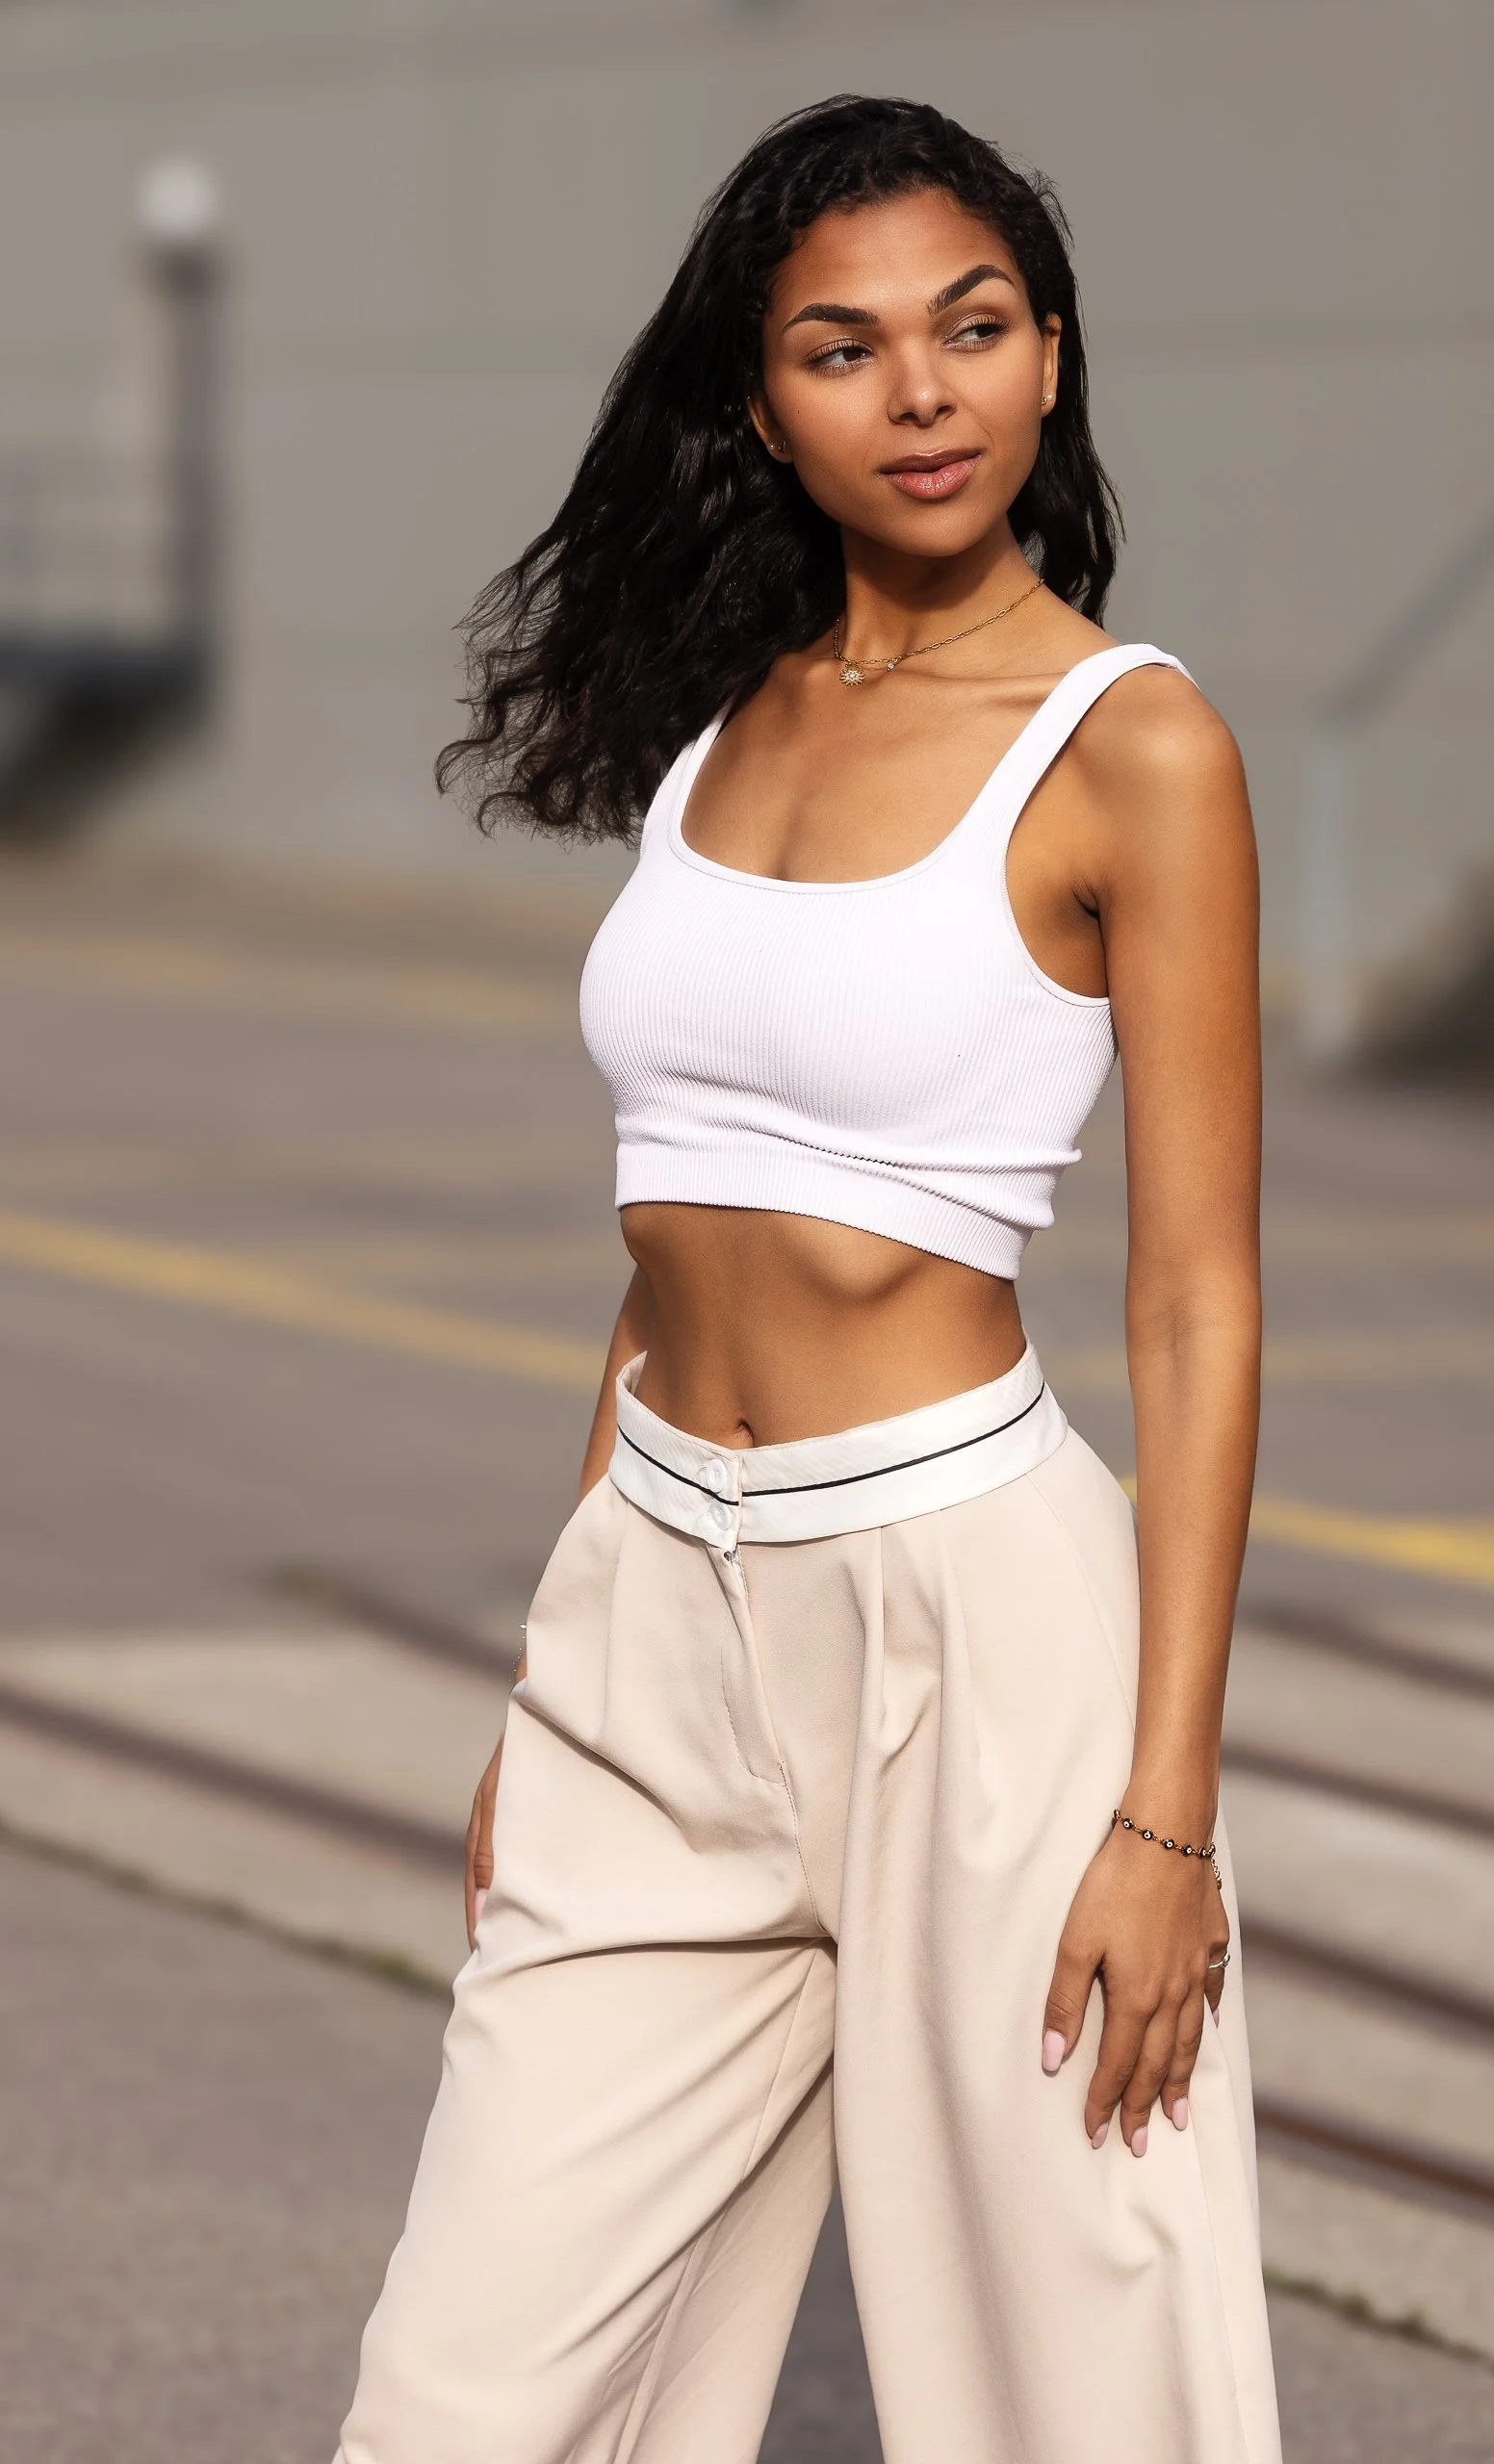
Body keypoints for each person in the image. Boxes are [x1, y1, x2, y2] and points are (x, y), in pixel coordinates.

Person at [336, 92, 1279, 2464]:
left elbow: (1195, 1299)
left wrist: (1164, 1814)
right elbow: (660, 1238)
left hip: (976, 1618)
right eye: (844, 348)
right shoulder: (723, 723)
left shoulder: (1128, 744)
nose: (922, 390)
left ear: (1051, 359)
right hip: (659, 1600)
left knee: (1080, 2379)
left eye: (972, 329)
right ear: (761, 402)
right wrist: (574, 1643)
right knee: (472, 2378)